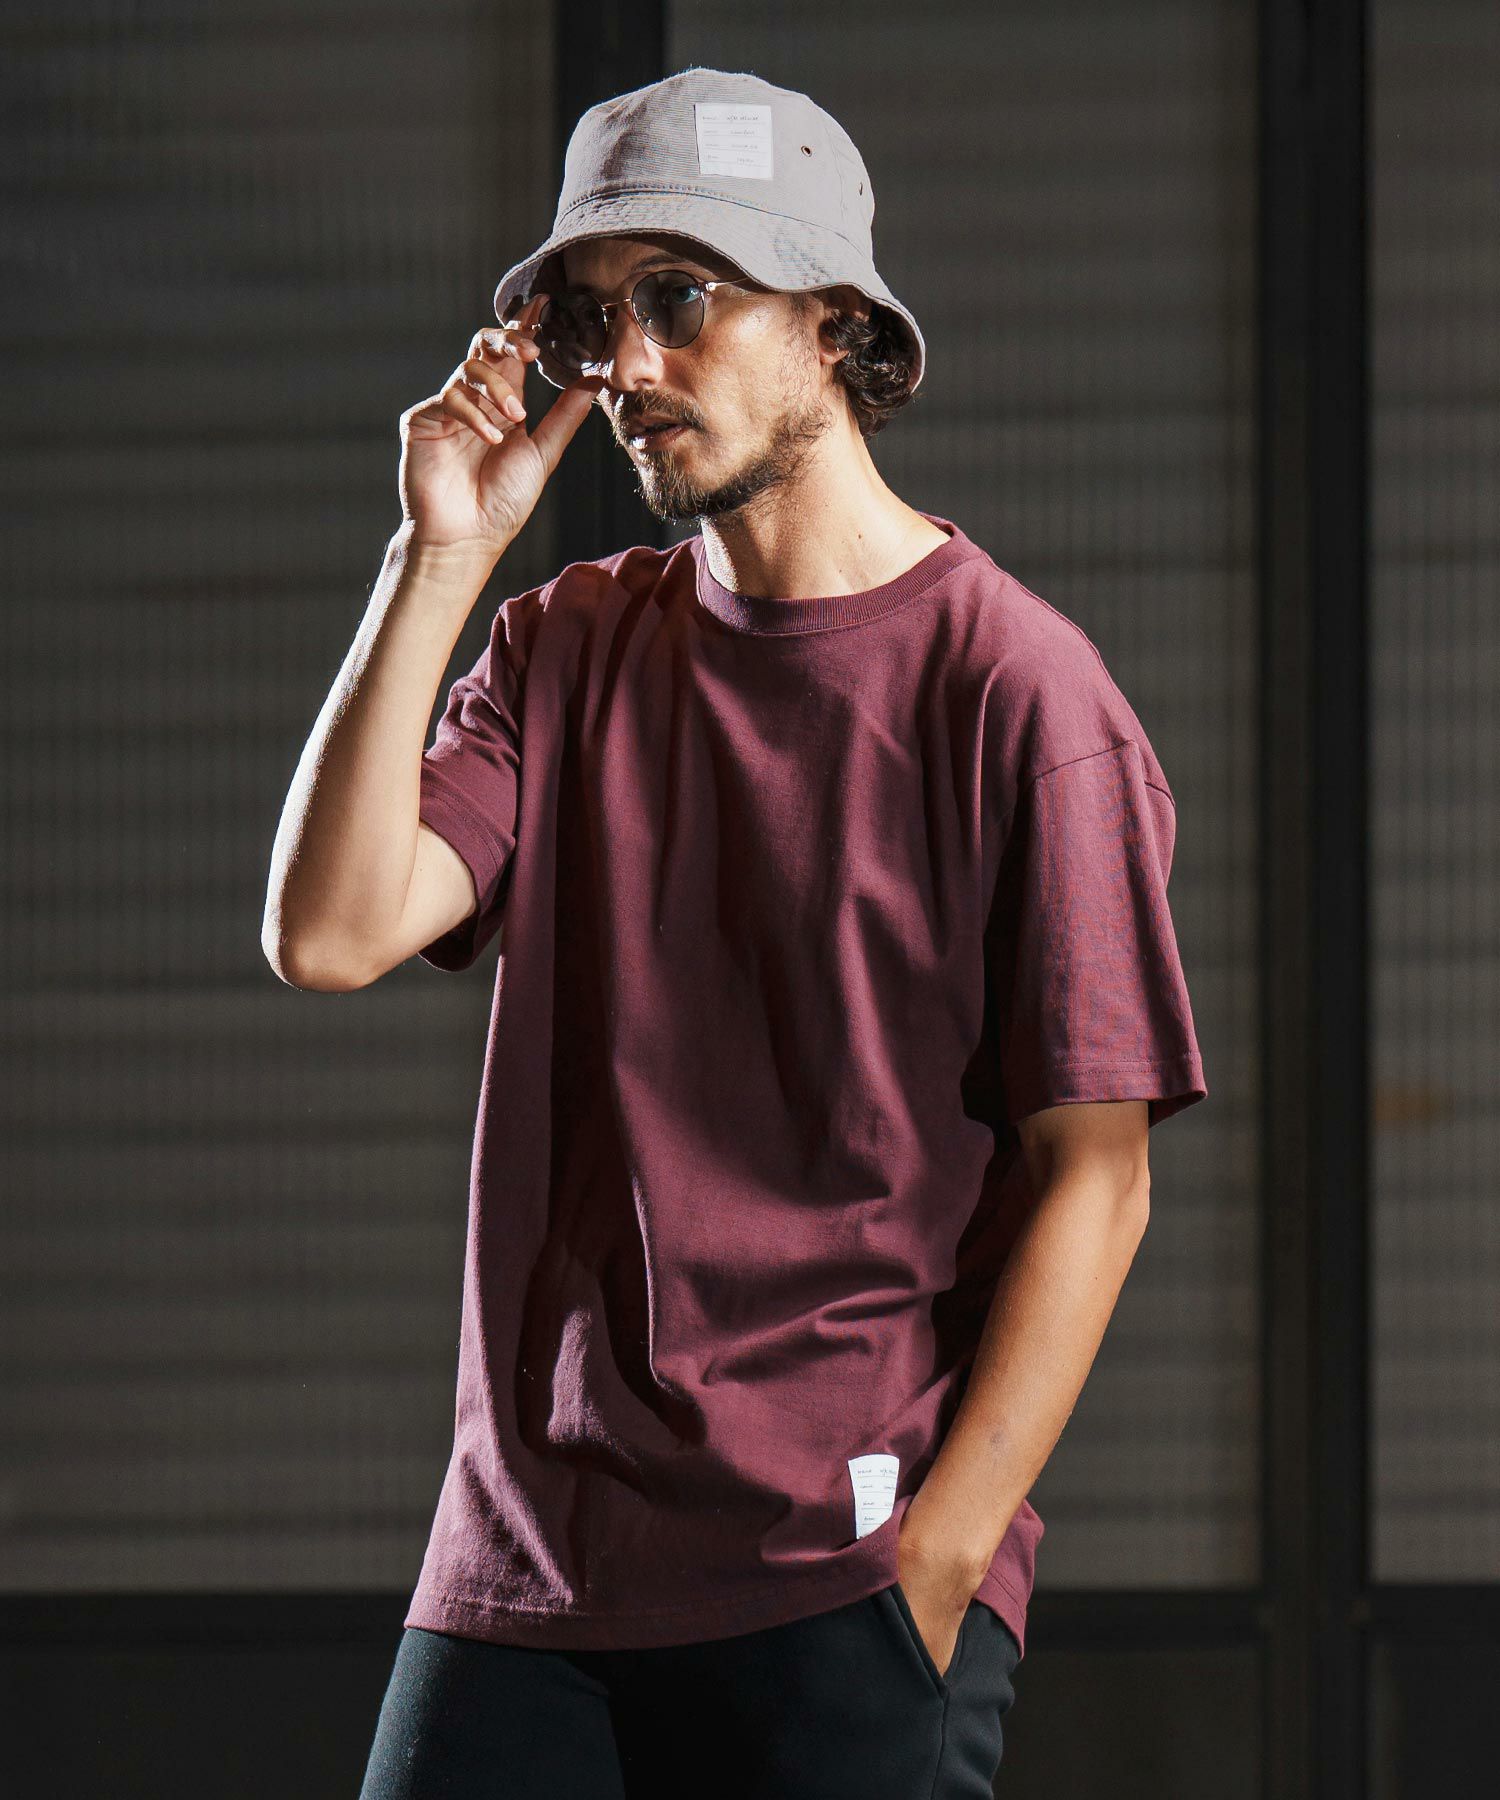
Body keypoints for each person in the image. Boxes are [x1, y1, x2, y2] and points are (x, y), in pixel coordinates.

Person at [263, 65, 1207, 1800]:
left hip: (840, 1577)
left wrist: (941, 1563)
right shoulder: (563, 645)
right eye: (591, 320)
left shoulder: (1021, 695)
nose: (626, 366)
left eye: (680, 300)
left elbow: (1100, 1174)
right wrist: (437, 557)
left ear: (834, 322)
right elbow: (329, 932)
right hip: (531, 1575)